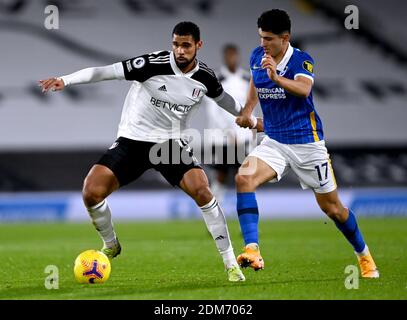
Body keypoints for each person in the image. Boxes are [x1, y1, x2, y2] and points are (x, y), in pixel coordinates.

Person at [38, 21, 256, 282]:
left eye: (186, 45)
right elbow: (105, 72)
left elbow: (227, 102)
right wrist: (65, 80)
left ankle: (230, 263)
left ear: (198, 45)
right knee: (91, 192)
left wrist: (250, 119)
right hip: (133, 140)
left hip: (170, 144)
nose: (180, 51)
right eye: (175, 44)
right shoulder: (152, 64)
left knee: (203, 191)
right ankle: (111, 244)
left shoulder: (205, 78)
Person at [234, 9, 379, 278]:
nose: (263, 44)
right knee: (244, 178)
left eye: (268, 39)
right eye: (261, 37)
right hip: (275, 142)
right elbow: (255, 80)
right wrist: (248, 110)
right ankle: (252, 249)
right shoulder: (258, 56)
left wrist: (277, 77)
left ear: (285, 37)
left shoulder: (301, 60)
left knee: (333, 209)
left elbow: (303, 89)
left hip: (307, 144)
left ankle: (364, 256)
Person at [206, 44, 252, 205]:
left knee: (245, 177)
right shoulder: (216, 79)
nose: (232, 59)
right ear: (224, 57)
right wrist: (229, 132)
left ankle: (245, 220)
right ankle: (215, 216)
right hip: (222, 139)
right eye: (229, 55)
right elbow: (213, 111)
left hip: (243, 137)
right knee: (221, 175)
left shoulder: (247, 79)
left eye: (234, 55)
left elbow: (250, 107)